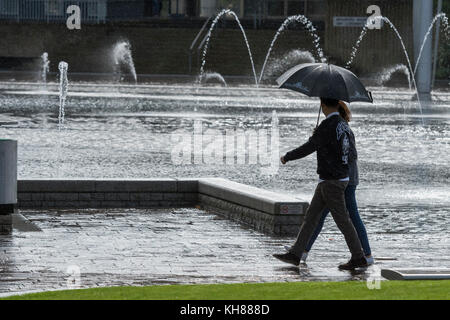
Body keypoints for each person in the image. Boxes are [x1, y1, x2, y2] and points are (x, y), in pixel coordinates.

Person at [273, 98, 368, 270]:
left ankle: (359, 256)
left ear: (323, 105)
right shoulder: (343, 125)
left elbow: (309, 147)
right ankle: (296, 253)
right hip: (334, 178)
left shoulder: (328, 125)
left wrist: (287, 156)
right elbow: (349, 152)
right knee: (311, 217)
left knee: (343, 220)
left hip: (331, 181)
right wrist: (320, 137)